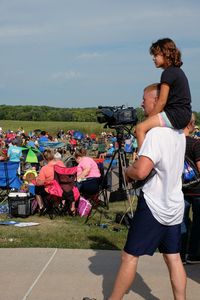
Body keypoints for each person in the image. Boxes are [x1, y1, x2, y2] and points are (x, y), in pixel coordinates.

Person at [108, 83, 186, 300]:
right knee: (173, 258)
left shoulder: (156, 134)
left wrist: (126, 171)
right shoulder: (178, 133)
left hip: (154, 204)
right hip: (174, 204)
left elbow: (142, 172)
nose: (141, 102)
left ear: (158, 101)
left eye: (145, 98)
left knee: (129, 257)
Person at [136, 38, 192, 150]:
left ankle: (142, 158)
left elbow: (161, 101)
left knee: (140, 128)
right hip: (185, 114)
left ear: (165, 54)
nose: (154, 58)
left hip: (175, 114)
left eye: (156, 55)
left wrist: (148, 120)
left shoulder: (168, 73)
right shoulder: (178, 71)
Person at [181, 113, 200, 264]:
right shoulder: (195, 143)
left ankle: (179, 254)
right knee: (198, 222)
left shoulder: (173, 143)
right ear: (190, 124)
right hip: (197, 188)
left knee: (181, 222)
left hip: (179, 188)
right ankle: (193, 254)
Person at [35, 148, 65, 215]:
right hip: (62, 189)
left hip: (51, 190)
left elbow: (40, 183)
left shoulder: (44, 168)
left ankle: (41, 207)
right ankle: (59, 205)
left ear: (45, 159)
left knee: (37, 189)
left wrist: (37, 179)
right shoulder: (61, 164)